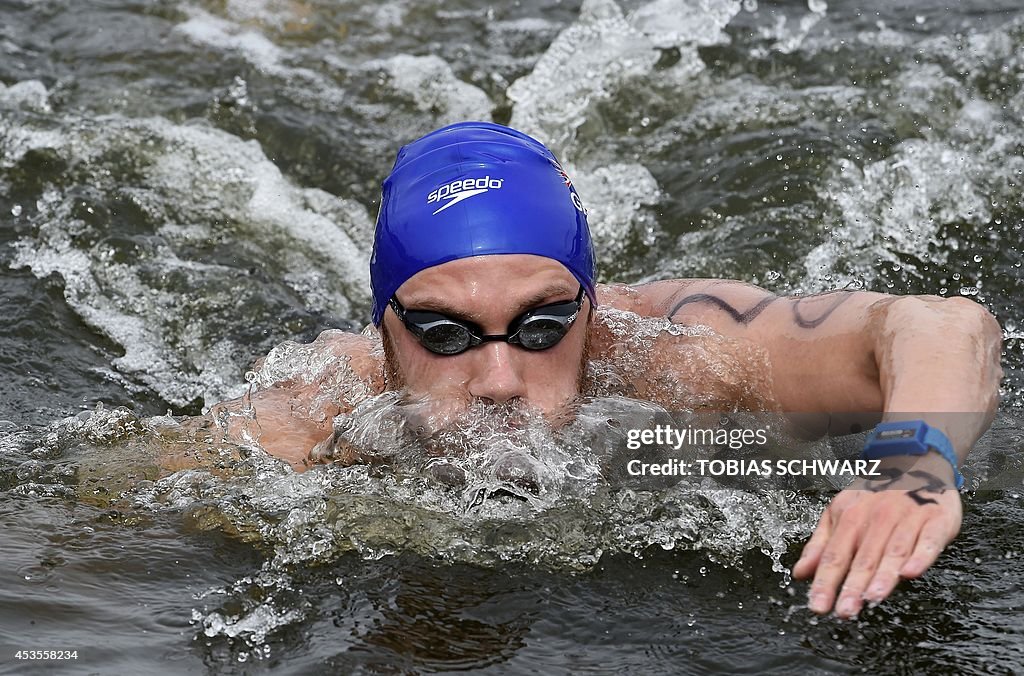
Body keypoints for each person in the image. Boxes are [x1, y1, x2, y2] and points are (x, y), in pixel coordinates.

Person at [209, 121, 1002, 619]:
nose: (499, 381)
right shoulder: (316, 408)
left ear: (592, 310)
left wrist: (913, 469)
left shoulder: (682, 361)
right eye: (443, 333)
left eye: (543, 325)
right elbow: (113, 499)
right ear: (384, 328)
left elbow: (943, 323)